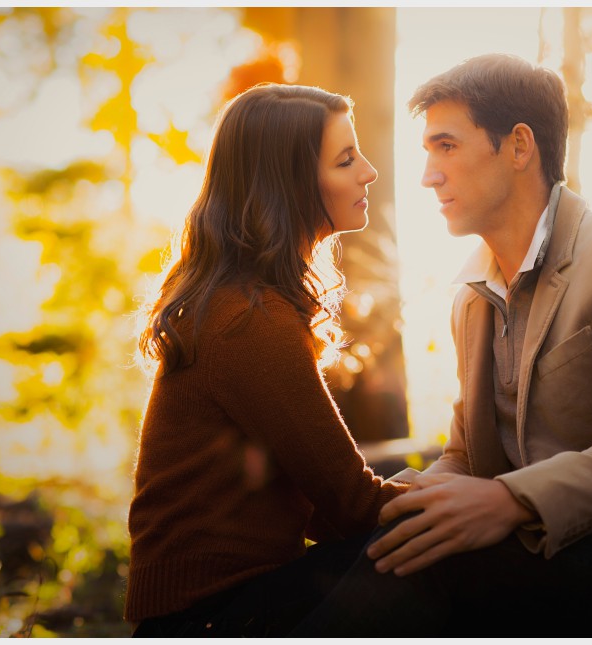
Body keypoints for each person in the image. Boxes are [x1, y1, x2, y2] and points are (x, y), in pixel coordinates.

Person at [294, 53, 592, 638]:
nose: (428, 175)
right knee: (329, 568)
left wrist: (512, 501)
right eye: (428, 152)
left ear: (518, 146)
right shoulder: (470, 295)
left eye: (447, 147)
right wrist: (388, 504)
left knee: (433, 568)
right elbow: (463, 457)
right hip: (537, 562)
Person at [124, 83, 407, 637]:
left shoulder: (244, 301)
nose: (368, 172)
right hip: (213, 618)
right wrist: (471, 500)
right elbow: (352, 506)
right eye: (346, 159)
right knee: (439, 562)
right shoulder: (248, 319)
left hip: (224, 606)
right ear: (291, 183)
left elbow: (324, 508)